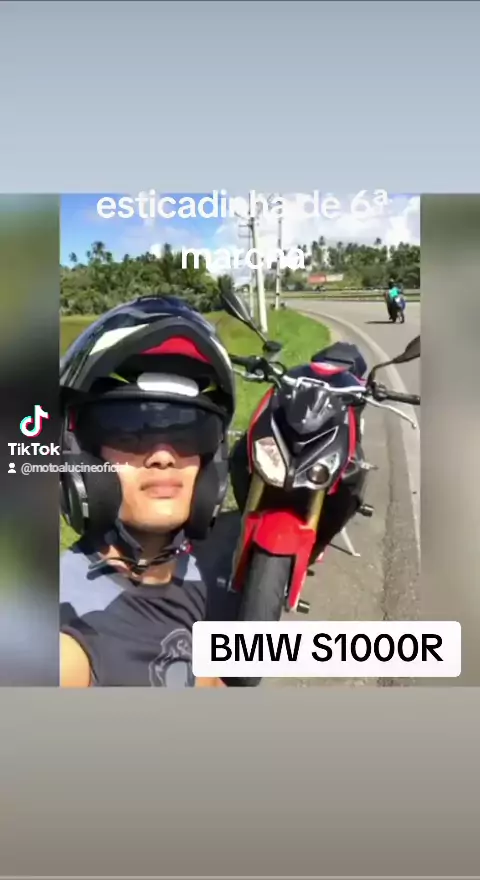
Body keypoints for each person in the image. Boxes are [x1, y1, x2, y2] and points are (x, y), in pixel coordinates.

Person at [59, 295, 237, 688]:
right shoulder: (67, 630)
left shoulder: (191, 573)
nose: (162, 456)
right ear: (83, 456)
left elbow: (207, 680)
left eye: (190, 431)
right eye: (129, 430)